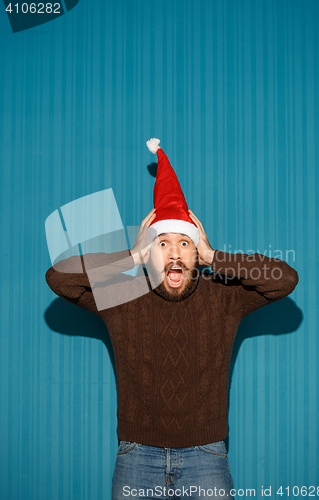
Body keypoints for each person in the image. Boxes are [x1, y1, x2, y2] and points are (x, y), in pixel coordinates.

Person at [45, 139, 298, 499]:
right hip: (136, 457)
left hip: (206, 455)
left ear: (197, 251)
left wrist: (215, 255)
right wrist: (129, 257)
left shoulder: (224, 295)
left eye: (185, 243)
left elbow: (285, 279)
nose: (175, 254)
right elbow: (58, 277)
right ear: (150, 253)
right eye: (163, 243)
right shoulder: (122, 297)